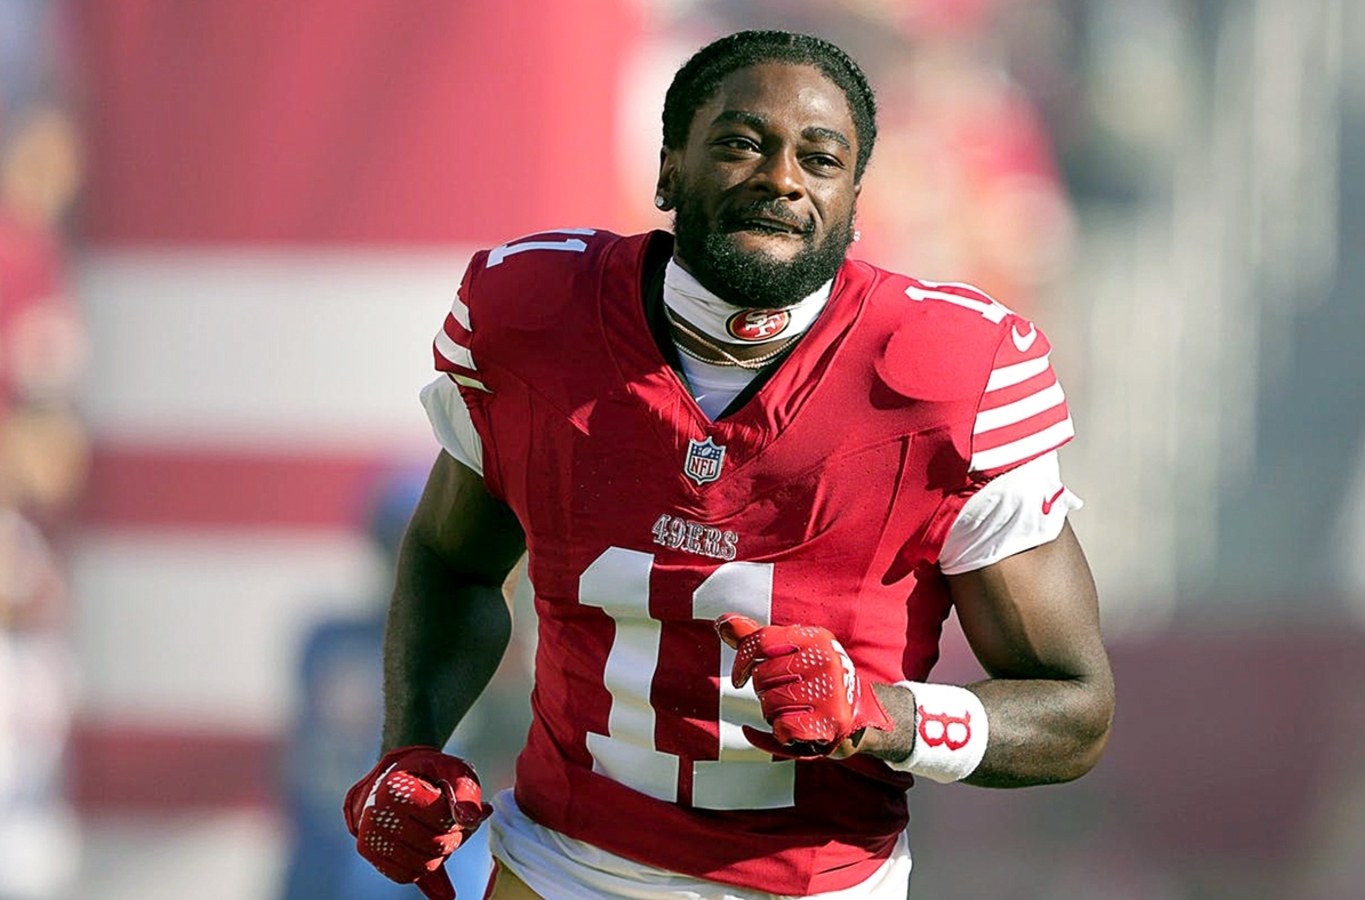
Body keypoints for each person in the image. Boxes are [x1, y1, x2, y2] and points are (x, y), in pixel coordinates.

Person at [343, 29, 1114, 900]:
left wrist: (884, 715)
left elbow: (1075, 710)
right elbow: (453, 559)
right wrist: (409, 747)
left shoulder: (950, 376)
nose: (782, 179)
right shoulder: (536, 317)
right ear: (668, 171)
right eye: (743, 144)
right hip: (558, 868)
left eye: (820, 159)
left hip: (812, 886)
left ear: (854, 200)